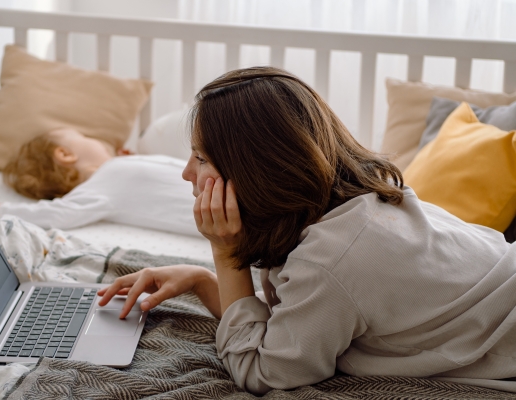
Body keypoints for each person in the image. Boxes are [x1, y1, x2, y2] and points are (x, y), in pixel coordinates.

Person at [97, 67, 516, 394]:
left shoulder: (333, 258)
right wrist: (203, 281)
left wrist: (225, 254)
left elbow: (262, 369)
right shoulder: (359, 201)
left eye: (201, 158)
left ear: (258, 170)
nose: (187, 173)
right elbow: (298, 318)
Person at [0, 128, 200, 236]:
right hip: (222, 213)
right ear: (65, 154)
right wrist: (1, 209)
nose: (96, 139)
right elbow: (58, 212)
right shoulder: (98, 188)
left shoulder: (114, 171)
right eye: (82, 137)